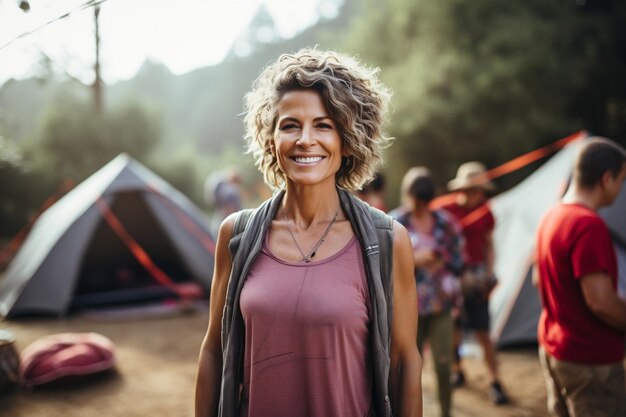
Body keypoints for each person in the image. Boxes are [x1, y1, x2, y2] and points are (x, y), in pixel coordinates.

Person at [195, 48, 423, 417]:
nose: (305, 139)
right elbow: (213, 351)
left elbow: (404, 362)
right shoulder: (236, 236)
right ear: (271, 139)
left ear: (347, 138)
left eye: (323, 125)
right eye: (289, 125)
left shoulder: (387, 241)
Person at [534, 137, 626, 417]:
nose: (621, 188)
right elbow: (600, 302)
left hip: (555, 349)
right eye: (622, 180)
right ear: (607, 178)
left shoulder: (552, 215)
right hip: (589, 361)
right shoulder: (588, 225)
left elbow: (539, 279)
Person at [391, 167, 464, 417]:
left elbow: (458, 259)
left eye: (424, 200)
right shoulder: (393, 223)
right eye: (416, 199)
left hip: (441, 305)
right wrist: (412, 259)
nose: (420, 205)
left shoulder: (445, 222)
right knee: (408, 369)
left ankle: (446, 412)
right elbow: (379, 266)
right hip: (406, 308)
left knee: (444, 366)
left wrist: (440, 259)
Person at [441, 161, 509, 405]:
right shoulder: (444, 209)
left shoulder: (486, 212)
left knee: (483, 330)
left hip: (477, 274)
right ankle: (457, 370)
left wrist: (489, 274)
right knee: (454, 327)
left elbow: (489, 245)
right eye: (472, 189)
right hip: (452, 274)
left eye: (479, 189)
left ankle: (495, 381)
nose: (477, 194)